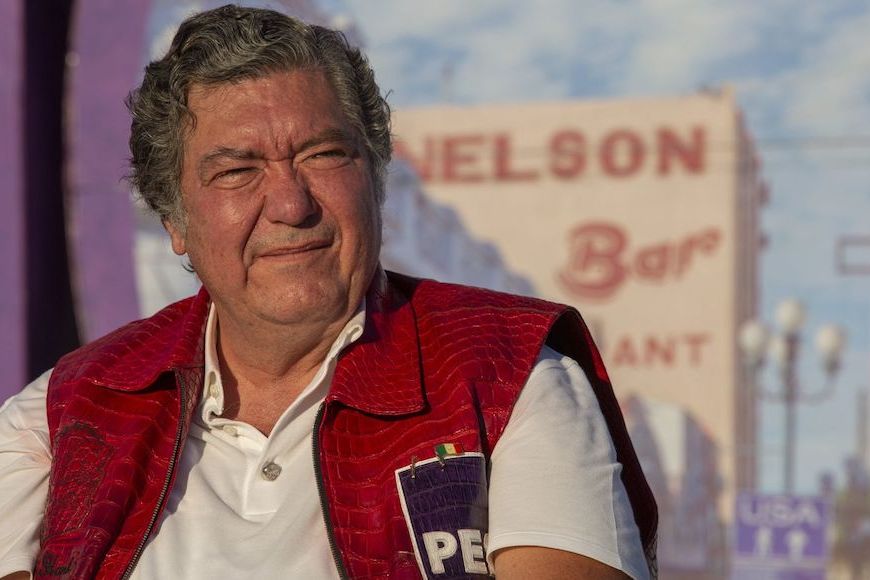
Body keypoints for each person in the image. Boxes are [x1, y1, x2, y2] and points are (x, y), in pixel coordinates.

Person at [0, 5, 656, 579]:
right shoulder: (61, 411)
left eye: (323, 155)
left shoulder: (513, 377)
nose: (291, 204)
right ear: (175, 220)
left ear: (376, 177)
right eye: (237, 170)